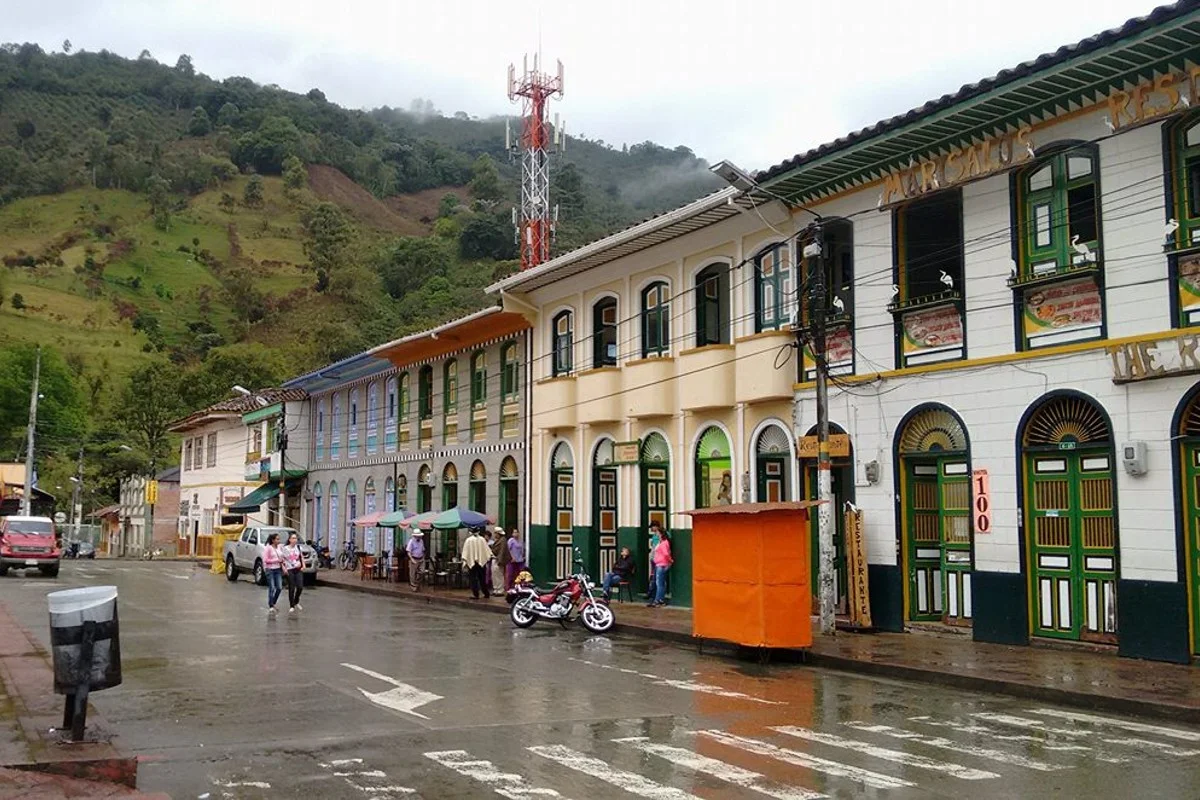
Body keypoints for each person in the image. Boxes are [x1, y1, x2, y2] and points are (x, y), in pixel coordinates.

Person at [462, 526, 492, 600]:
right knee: (482, 578)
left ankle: (476, 594)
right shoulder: (482, 539)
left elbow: (466, 552)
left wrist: (465, 561)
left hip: (472, 562)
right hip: (481, 561)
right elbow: (487, 551)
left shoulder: (468, 540)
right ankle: (486, 593)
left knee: (473, 578)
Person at [647, 529, 673, 607]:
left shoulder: (664, 543)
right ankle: (659, 599)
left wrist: (670, 560)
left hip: (662, 565)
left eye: (658, 533)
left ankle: (658, 600)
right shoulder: (661, 542)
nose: (657, 534)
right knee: (661, 583)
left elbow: (666, 553)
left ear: (661, 534)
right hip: (659, 564)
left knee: (660, 583)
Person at [281, 532, 305, 614]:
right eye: (293, 538)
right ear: (290, 540)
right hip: (290, 569)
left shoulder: (298, 547)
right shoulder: (285, 548)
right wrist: (284, 568)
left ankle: (296, 600)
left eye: (296, 538)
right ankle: (292, 605)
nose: (295, 540)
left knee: (300, 586)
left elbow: (301, 557)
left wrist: (303, 566)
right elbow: (282, 559)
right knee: (292, 587)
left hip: (298, 568)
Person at [262, 532, 284, 617]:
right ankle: (271, 605)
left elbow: (282, 557)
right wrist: (276, 561)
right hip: (270, 569)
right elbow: (266, 560)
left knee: (279, 587)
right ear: (273, 540)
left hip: (278, 569)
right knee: (272, 587)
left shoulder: (280, 548)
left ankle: (273, 602)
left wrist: (283, 564)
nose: (279, 540)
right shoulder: (268, 548)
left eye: (279, 539)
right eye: (277, 539)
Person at [646, 521, 662, 599]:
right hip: (653, 557)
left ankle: (655, 594)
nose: (652, 529)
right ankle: (652, 592)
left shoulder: (662, 535)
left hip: (659, 559)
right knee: (653, 576)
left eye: (652, 527)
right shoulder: (654, 535)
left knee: (657, 577)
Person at [491, 527, 509, 591]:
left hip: (498, 560)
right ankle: (496, 588)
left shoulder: (503, 540)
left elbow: (502, 551)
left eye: (495, 533)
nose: (494, 534)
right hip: (494, 559)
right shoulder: (498, 540)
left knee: (499, 575)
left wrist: (500, 561)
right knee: (494, 575)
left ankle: (500, 589)